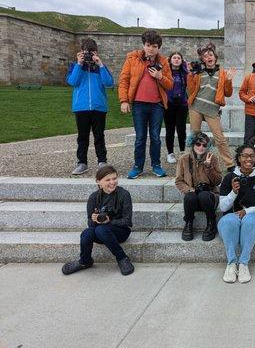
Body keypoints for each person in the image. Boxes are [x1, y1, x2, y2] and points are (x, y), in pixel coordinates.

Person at [118, 29, 173, 179]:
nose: (151, 49)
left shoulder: (163, 62)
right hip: (139, 105)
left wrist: (160, 76)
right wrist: (124, 100)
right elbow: (124, 80)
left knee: (155, 137)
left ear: (158, 48)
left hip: (157, 105)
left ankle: (156, 165)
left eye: (154, 46)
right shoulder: (132, 59)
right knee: (140, 137)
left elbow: (170, 85)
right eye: (148, 45)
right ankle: (138, 166)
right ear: (143, 45)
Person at [61, 165, 134, 276]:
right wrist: (95, 219)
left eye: (114, 178)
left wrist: (109, 221)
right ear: (99, 182)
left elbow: (128, 221)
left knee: (101, 230)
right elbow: (90, 224)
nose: (112, 182)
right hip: (101, 232)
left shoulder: (124, 194)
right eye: (108, 180)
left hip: (121, 231)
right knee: (86, 233)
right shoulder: (94, 198)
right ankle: (85, 261)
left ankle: (122, 258)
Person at [217, 144, 255, 283]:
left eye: (252, 155)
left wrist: (246, 211)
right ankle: (231, 263)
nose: (249, 158)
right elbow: (223, 207)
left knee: (249, 220)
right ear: (239, 158)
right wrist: (233, 193)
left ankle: (243, 264)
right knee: (230, 220)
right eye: (245, 155)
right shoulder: (229, 177)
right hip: (230, 222)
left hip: (253, 224)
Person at [66, 38, 114, 175]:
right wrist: (79, 64)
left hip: (99, 107)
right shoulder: (75, 66)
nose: (88, 56)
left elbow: (109, 82)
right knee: (82, 137)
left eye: (91, 53)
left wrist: (101, 65)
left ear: (96, 53)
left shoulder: (100, 68)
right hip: (81, 107)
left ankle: (102, 161)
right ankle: (82, 163)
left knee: (99, 136)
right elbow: (73, 81)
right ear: (81, 52)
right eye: (86, 52)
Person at [187, 42, 237, 171]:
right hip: (196, 107)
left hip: (212, 109)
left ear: (215, 57)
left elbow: (228, 93)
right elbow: (191, 90)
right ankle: (193, 160)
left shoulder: (223, 73)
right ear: (203, 60)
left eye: (210, 55)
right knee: (194, 135)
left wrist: (229, 81)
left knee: (219, 138)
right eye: (205, 56)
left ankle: (230, 164)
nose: (208, 57)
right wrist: (190, 75)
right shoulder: (198, 72)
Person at [175, 132, 222, 242]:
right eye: (198, 144)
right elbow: (179, 181)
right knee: (190, 197)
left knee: (204, 195)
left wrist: (208, 167)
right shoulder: (184, 159)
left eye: (204, 145)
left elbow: (218, 181)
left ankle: (211, 222)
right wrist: (190, 189)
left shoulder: (212, 158)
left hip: (209, 198)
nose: (201, 147)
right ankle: (188, 223)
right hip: (193, 199)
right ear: (192, 144)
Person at [164, 51, 189, 164]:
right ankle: (170, 153)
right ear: (170, 59)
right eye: (174, 58)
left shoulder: (184, 72)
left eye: (179, 58)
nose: (176, 60)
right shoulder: (166, 71)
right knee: (170, 129)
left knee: (181, 129)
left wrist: (187, 67)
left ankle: (183, 152)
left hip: (182, 104)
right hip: (169, 103)